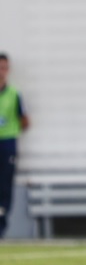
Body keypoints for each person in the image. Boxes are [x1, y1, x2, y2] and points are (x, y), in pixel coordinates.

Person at [0, 53, 31, 239]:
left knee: (4, 187)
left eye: (4, 68)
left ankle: (1, 227)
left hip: (7, 144)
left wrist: (11, 128)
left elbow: (25, 120)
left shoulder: (14, 94)